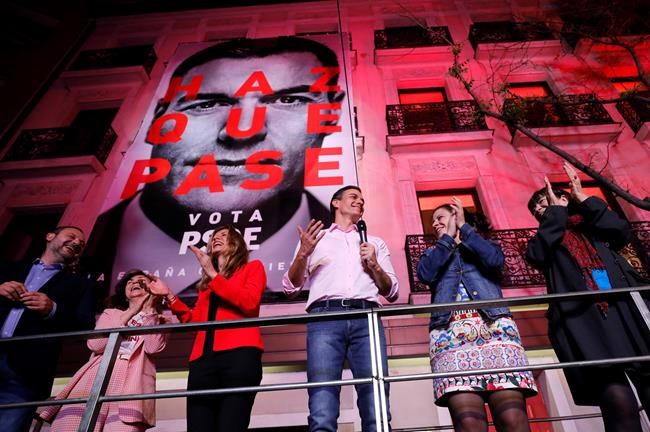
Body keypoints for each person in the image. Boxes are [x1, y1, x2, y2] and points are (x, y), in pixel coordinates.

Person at [87, 36, 346, 298]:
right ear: (158, 118)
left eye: (288, 100)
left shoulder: (347, 246)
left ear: (331, 114)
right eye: (207, 104)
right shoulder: (91, 244)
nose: (242, 130)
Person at [526, 162, 650, 432]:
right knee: (618, 402)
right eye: (536, 210)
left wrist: (582, 197)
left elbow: (620, 231)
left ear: (564, 199)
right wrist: (555, 213)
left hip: (624, 312)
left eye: (543, 202)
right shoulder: (547, 239)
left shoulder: (592, 225)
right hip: (588, 323)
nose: (539, 210)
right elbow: (536, 255)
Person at [283, 185, 399, 432]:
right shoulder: (317, 239)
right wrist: (302, 254)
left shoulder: (374, 242)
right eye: (354, 197)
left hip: (367, 317)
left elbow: (392, 292)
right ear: (336, 203)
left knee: (375, 396)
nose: (360, 202)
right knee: (322, 398)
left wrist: (375, 265)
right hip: (325, 317)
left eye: (362, 199)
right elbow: (290, 287)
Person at [416, 197, 537, 432]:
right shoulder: (432, 253)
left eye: (440, 218)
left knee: (513, 420)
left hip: (496, 332)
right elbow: (425, 274)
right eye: (433, 222)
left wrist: (464, 229)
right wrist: (447, 240)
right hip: (450, 337)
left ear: (456, 216)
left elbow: (495, 260)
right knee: (468, 424)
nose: (435, 224)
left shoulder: (482, 244)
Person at [148, 225, 266, 432]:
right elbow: (195, 324)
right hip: (202, 362)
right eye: (214, 236)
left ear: (236, 243)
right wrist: (169, 296)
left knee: (231, 426)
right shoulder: (206, 286)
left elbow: (249, 302)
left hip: (240, 358)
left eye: (223, 235)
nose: (216, 238)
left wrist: (212, 273)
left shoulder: (252, 267)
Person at [38, 269, 168, 431]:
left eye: (141, 280)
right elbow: (96, 345)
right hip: (96, 377)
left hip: (132, 385)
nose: (134, 283)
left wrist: (150, 310)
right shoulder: (111, 313)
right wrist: (132, 311)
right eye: (130, 282)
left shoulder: (160, 320)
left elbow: (153, 348)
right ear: (125, 295)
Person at [0, 226, 95, 432]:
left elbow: (84, 327)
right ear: (50, 236)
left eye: (81, 244)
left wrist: (53, 309)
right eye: (72, 236)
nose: (77, 243)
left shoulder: (80, 285)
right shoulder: (6, 269)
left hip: (25, 372)